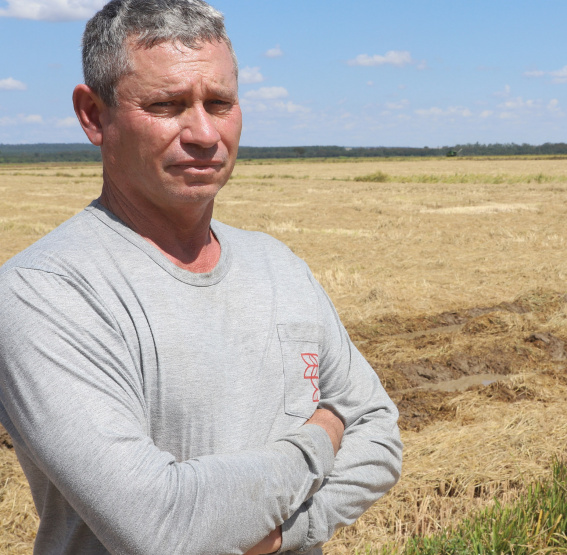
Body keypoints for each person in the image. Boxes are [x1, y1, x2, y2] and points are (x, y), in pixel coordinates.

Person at [0, 0, 402, 553]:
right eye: (167, 105)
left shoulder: (278, 267)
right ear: (94, 115)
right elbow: (163, 526)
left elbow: (379, 432)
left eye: (220, 103)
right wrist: (326, 432)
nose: (204, 133)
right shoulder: (46, 292)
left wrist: (287, 533)